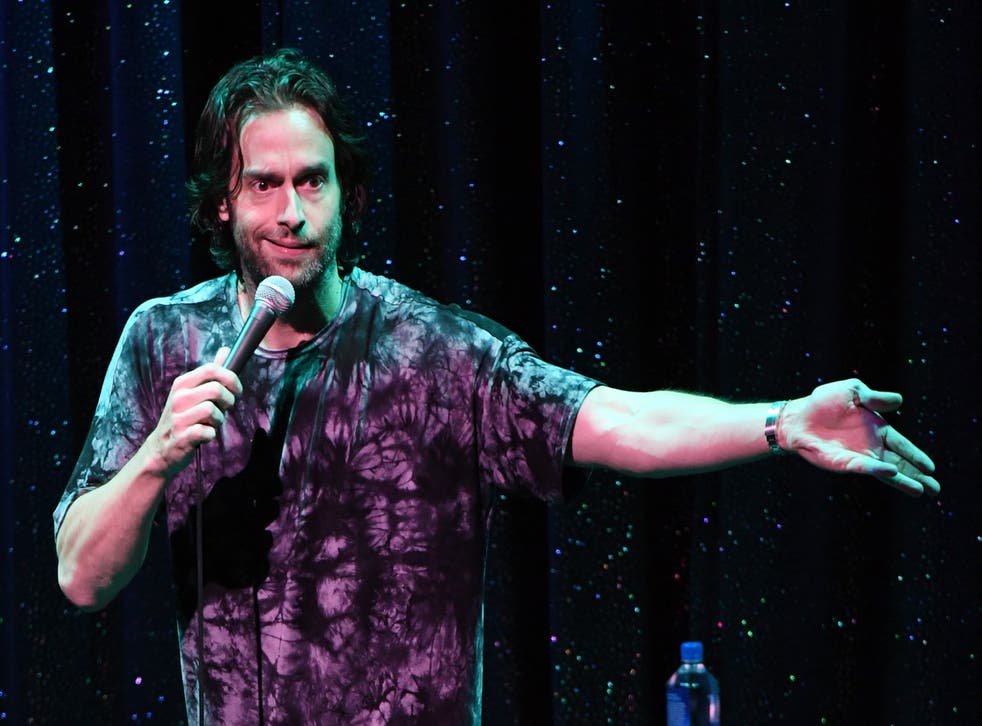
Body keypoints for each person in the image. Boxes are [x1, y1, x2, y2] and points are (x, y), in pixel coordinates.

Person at [53, 48, 939, 725]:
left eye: (313, 181)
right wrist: (157, 459)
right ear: (223, 203)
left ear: (345, 193)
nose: (292, 211)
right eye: (264, 185)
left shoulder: (436, 352)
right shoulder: (164, 343)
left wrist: (782, 423)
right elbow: (83, 578)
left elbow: (616, 421)